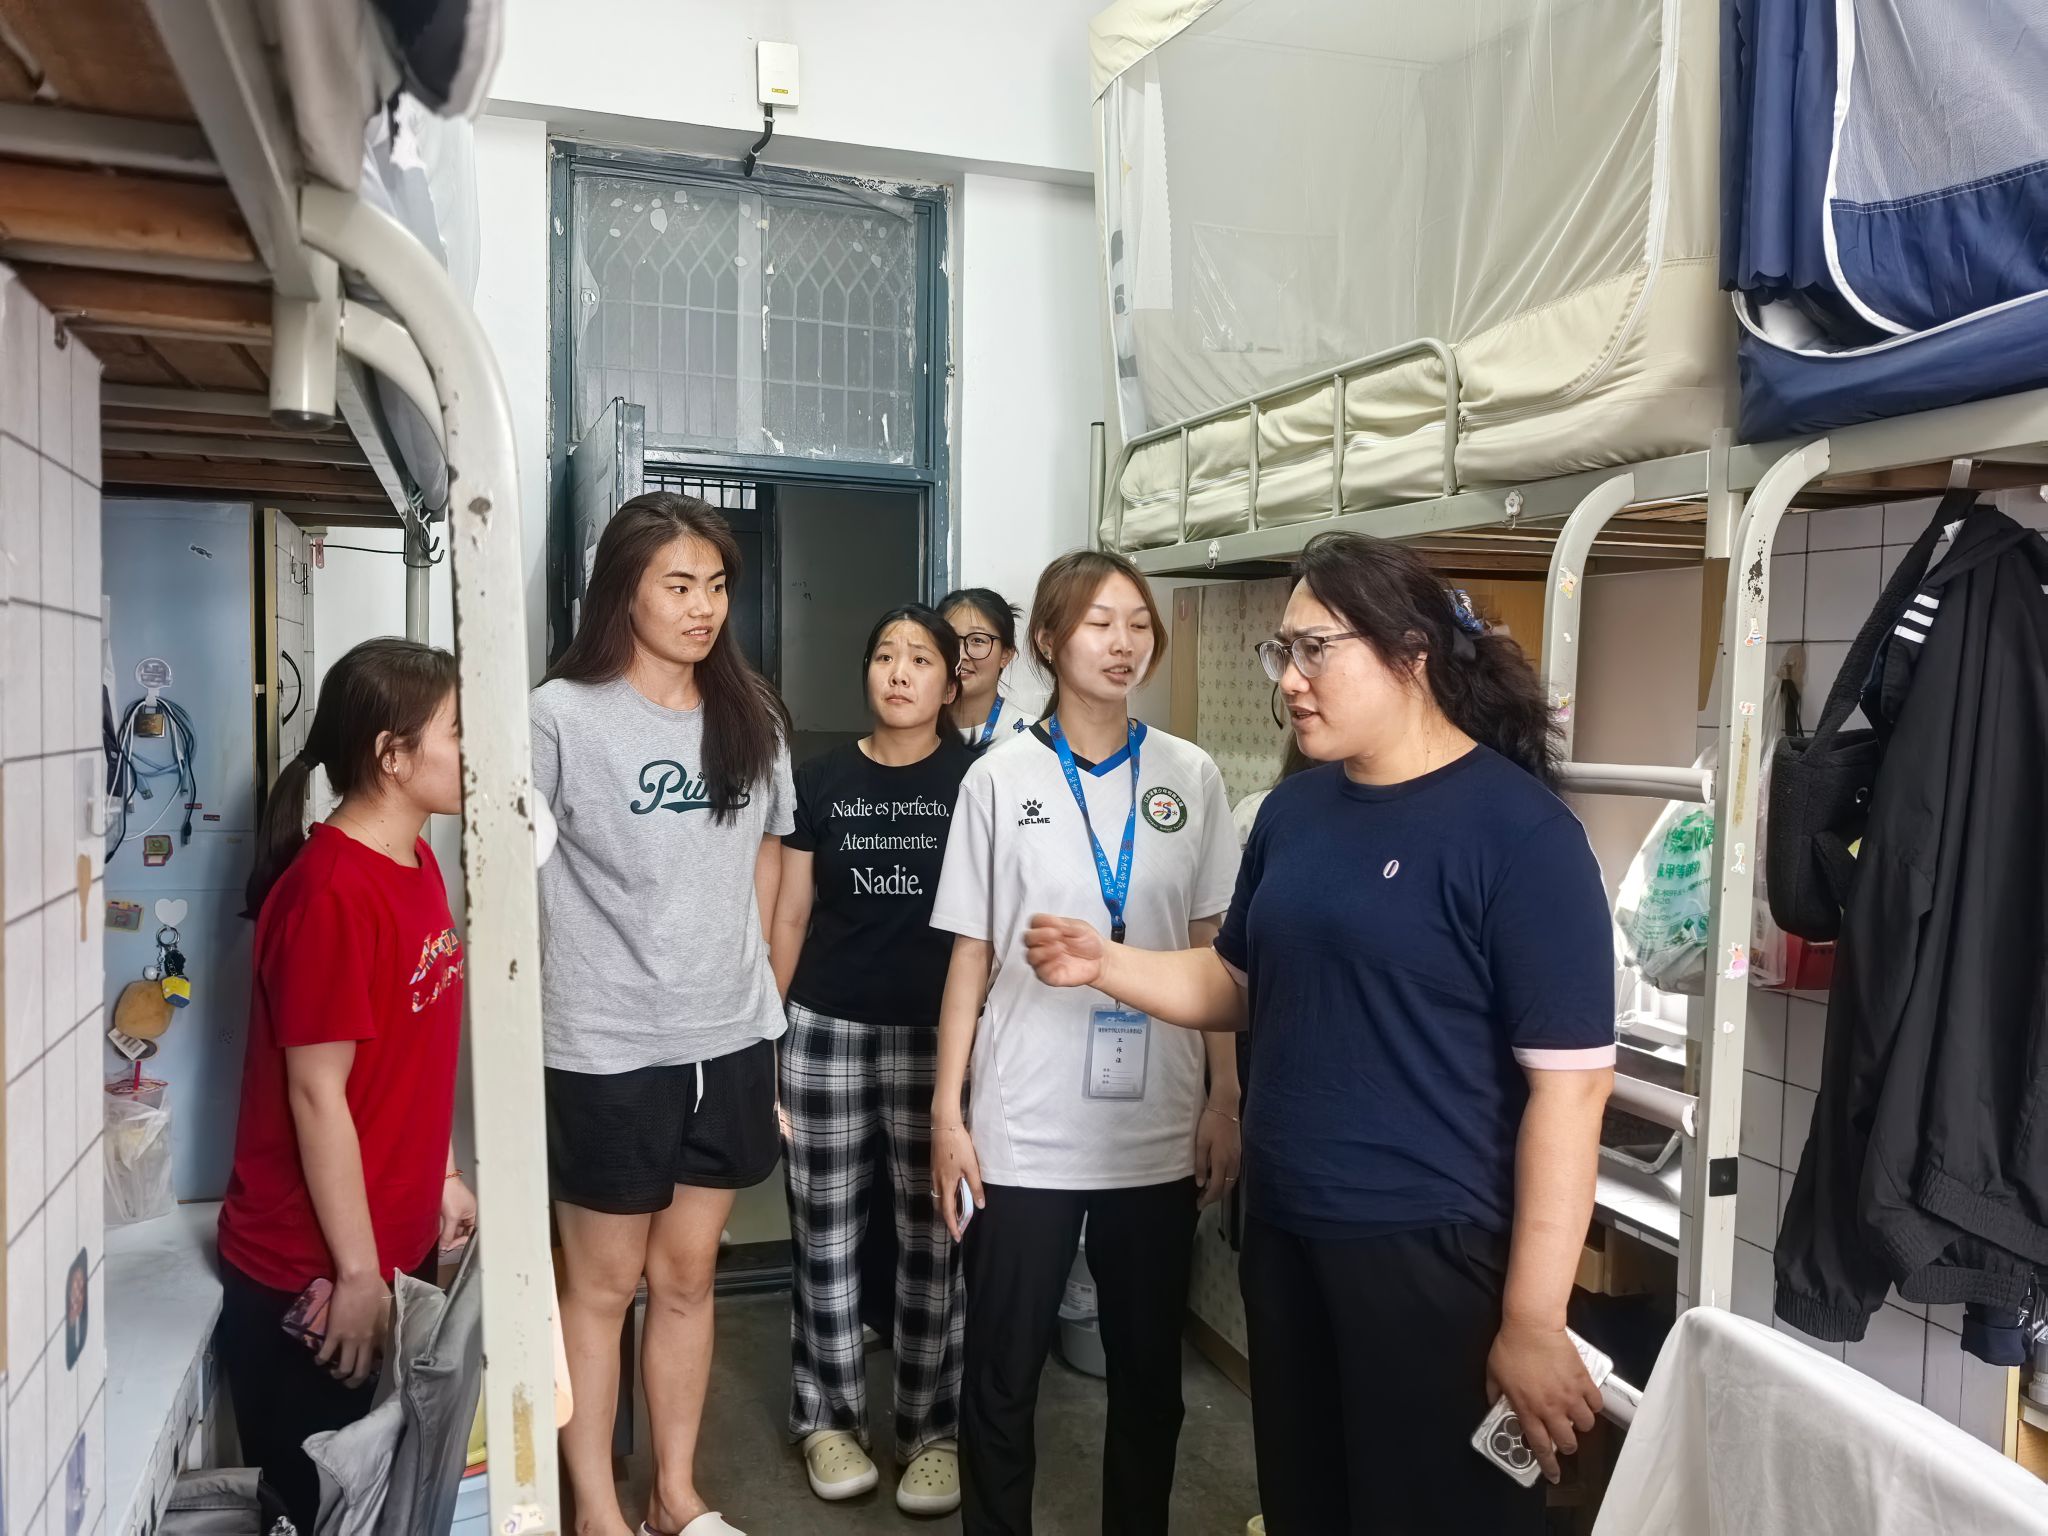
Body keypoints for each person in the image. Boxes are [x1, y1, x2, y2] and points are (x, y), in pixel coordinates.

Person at [1023, 532, 1615, 1536]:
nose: (1289, 680)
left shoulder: (1519, 835)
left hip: (1429, 1253)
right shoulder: (1295, 814)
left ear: (1409, 654)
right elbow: (1238, 982)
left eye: (1314, 650)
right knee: (1305, 1505)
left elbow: (1572, 1090)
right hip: (1288, 1231)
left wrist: (1530, 1318)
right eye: (1281, 653)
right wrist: (1104, 962)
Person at [929, 550, 1243, 1535]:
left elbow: (1212, 946)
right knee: (1002, 1373)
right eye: (1100, 623)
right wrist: (948, 1117)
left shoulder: (1189, 775)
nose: (1123, 643)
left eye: (1139, 623)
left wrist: (1223, 1098)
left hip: (1155, 1128)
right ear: (1049, 641)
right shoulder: (998, 777)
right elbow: (971, 955)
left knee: (1148, 1376)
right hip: (1024, 1128)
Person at [533, 493, 794, 1536]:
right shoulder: (559, 716)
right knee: (601, 1288)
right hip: (602, 1045)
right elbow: (507, 873)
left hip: (726, 1040)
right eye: (678, 585)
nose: (703, 608)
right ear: (623, 593)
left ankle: (673, 1498)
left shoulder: (750, 716)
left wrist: (754, 994)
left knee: (687, 1280)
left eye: (716, 586)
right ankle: (596, 1509)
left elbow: (767, 861)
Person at [214, 637, 476, 1535]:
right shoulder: (329, 893)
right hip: (313, 1272)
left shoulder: (418, 861)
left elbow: (413, 1049)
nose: (475, 749)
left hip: (388, 1248)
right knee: (316, 1514)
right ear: (392, 755)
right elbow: (316, 1095)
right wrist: (358, 1274)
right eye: (458, 730)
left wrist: (442, 1171)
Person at [768, 604, 974, 1514]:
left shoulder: (981, 781)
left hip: (940, 1036)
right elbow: (790, 914)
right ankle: (827, 1419)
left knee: (936, 1236)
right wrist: (769, 1032)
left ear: (951, 682)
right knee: (825, 1231)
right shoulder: (820, 778)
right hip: (826, 1028)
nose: (899, 671)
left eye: (921, 658)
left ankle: (932, 1432)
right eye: (885, 655)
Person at [940, 587, 1045, 749]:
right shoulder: (912, 726)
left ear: (1005, 655)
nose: (961, 655)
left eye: (978, 640)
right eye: (950, 639)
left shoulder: (1030, 737)